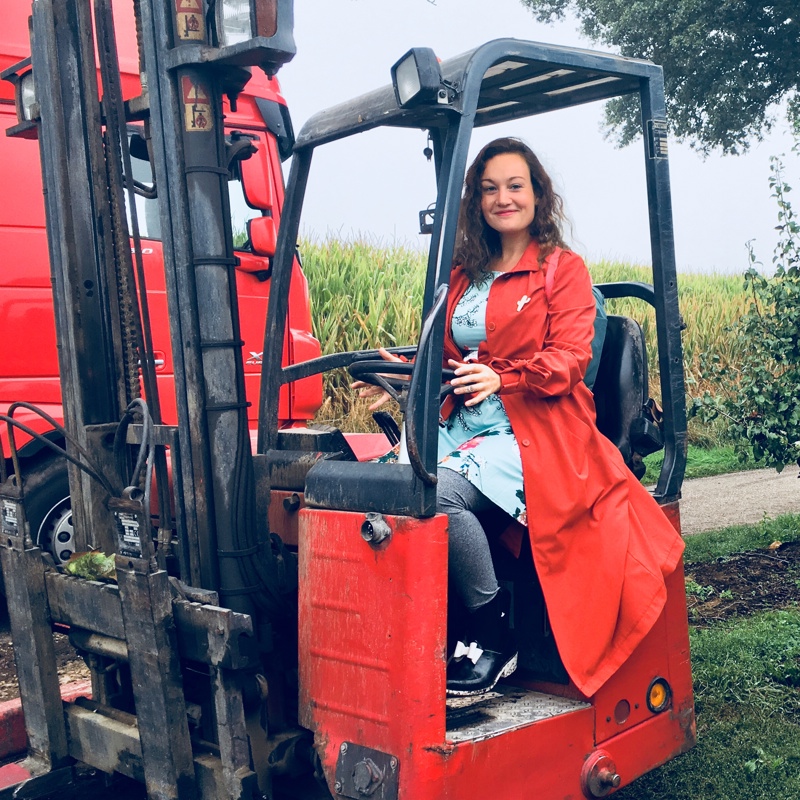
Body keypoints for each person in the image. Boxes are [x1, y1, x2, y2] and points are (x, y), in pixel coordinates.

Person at [355, 137, 684, 699]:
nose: (502, 198)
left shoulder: (561, 270)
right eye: (489, 189)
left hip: (538, 429)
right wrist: (411, 377)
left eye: (514, 186)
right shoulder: (465, 274)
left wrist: (502, 380)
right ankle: (404, 639)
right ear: (475, 201)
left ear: (537, 194)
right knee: (377, 484)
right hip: (466, 421)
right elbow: (453, 358)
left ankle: (491, 628)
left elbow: (570, 360)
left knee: (437, 492)